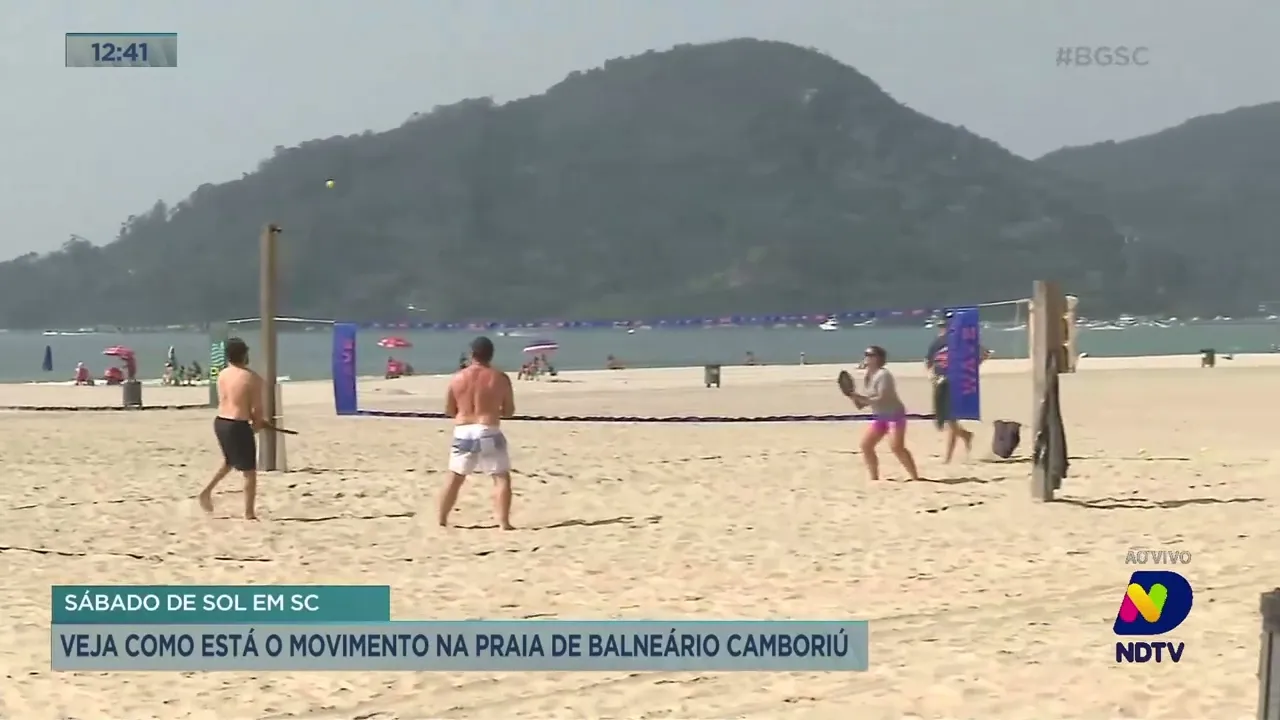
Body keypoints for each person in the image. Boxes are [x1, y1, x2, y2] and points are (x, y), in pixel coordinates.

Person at [438, 336, 516, 530]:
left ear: (472, 354)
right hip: (487, 428)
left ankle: (442, 519)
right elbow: (508, 411)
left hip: (463, 430)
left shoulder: (457, 378)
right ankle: (503, 522)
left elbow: (449, 410)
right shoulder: (499, 377)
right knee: (500, 477)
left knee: (455, 477)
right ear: (491, 354)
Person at [199, 337, 265, 520]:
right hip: (237, 424)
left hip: (221, 422)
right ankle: (249, 513)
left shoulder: (223, 374)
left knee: (230, 462)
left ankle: (206, 491)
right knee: (250, 471)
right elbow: (256, 409)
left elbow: (234, 401)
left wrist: (253, 420)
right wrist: (258, 423)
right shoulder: (253, 378)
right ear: (245, 354)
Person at [848, 346, 920, 482]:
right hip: (880, 417)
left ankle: (915, 477)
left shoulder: (883, 375)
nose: (867, 357)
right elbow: (863, 404)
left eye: (870, 355)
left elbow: (882, 397)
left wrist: (862, 399)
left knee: (897, 447)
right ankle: (874, 478)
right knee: (866, 445)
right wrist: (854, 398)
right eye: (866, 354)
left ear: (879, 358)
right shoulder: (868, 376)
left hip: (894, 415)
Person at [925, 325, 990, 462]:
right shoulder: (938, 342)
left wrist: (970, 369)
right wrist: (932, 376)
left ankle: (948, 457)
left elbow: (984, 354)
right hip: (940, 382)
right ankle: (965, 435)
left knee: (951, 417)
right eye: (941, 327)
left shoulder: (960, 340)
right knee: (945, 419)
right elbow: (928, 362)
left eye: (943, 327)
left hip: (955, 382)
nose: (942, 330)